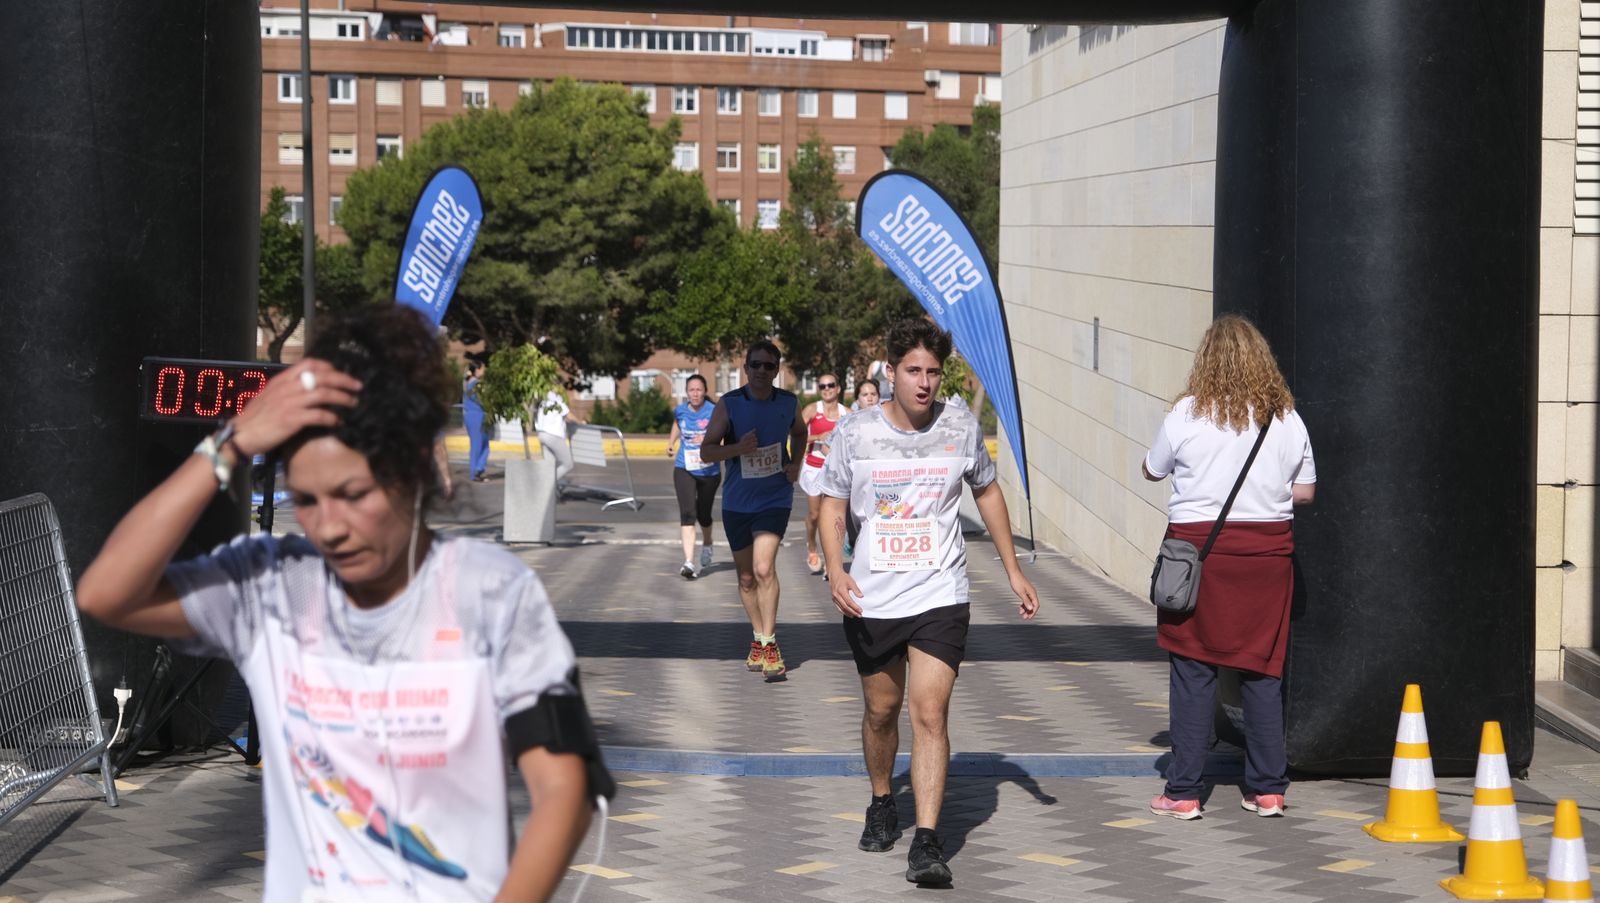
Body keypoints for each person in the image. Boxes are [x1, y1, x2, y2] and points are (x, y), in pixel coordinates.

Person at [76, 306, 611, 902]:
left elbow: (566, 790)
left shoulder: (491, 592)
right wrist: (229, 444)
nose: (329, 526)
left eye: (353, 494)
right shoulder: (270, 586)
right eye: (307, 500)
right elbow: (105, 592)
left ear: (411, 472)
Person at [817, 319, 1039, 887]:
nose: (923, 382)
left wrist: (1012, 569)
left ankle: (927, 842)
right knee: (881, 712)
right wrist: (836, 569)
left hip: (941, 592)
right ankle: (881, 800)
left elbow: (987, 490)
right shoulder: (856, 432)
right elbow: (832, 501)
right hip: (872, 596)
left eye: (933, 372)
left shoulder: (960, 427)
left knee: (930, 713)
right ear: (890, 371)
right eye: (913, 370)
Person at [1141, 314, 1316, 821]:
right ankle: (1267, 789)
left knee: (1192, 669)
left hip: (1198, 558)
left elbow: (1152, 470)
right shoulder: (1287, 418)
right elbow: (1305, 493)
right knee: (1262, 670)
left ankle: (1183, 792)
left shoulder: (1186, 414)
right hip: (1267, 559)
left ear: (1206, 361)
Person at [698, 341, 807, 680]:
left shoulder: (788, 402)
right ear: (745, 369)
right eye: (756, 365)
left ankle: (770, 644)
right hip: (737, 503)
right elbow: (706, 452)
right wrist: (738, 448)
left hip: (775, 498)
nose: (761, 371)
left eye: (768, 366)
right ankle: (758, 637)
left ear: (777, 370)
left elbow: (800, 433)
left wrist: (796, 464)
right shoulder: (730, 404)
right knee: (746, 578)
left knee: (763, 568)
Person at [667, 373, 721, 579]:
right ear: (687, 392)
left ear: (705, 392)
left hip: (709, 471)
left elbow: (725, 436)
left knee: (703, 514)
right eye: (691, 390)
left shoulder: (714, 411)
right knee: (688, 513)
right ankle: (688, 562)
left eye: (699, 390)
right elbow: (677, 424)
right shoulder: (680, 410)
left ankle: (707, 543)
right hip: (684, 467)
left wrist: (708, 440)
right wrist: (671, 442)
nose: (695, 393)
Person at [799, 373, 844, 575]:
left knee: (832, 516)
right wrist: (818, 436)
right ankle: (811, 545)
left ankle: (830, 562)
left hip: (834, 470)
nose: (827, 389)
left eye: (830, 385)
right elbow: (796, 435)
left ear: (838, 388)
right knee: (815, 514)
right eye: (822, 386)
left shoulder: (846, 413)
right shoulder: (812, 410)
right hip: (813, 468)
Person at [534, 388, 582, 487]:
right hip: (554, 436)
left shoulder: (543, 401)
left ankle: (548, 490)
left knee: (549, 465)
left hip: (542, 435)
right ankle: (547, 483)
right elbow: (568, 415)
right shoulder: (556, 400)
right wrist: (580, 422)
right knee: (568, 464)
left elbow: (557, 417)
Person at [463, 360, 490, 482]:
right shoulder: (477, 384)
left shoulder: (469, 383)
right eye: (482, 368)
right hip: (477, 415)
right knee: (478, 445)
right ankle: (475, 472)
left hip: (472, 415)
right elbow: (484, 400)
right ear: (477, 370)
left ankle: (478, 470)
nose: (484, 371)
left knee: (482, 444)